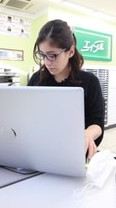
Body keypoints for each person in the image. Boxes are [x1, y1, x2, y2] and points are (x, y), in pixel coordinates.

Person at [27, 19, 104, 160]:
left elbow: (97, 123)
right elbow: (28, 116)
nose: (47, 61)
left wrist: (87, 134)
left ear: (71, 52)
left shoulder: (89, 82)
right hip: (42, 147)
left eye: (53, 55)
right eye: (43, 55)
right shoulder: (36, 79)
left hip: (76, 151)